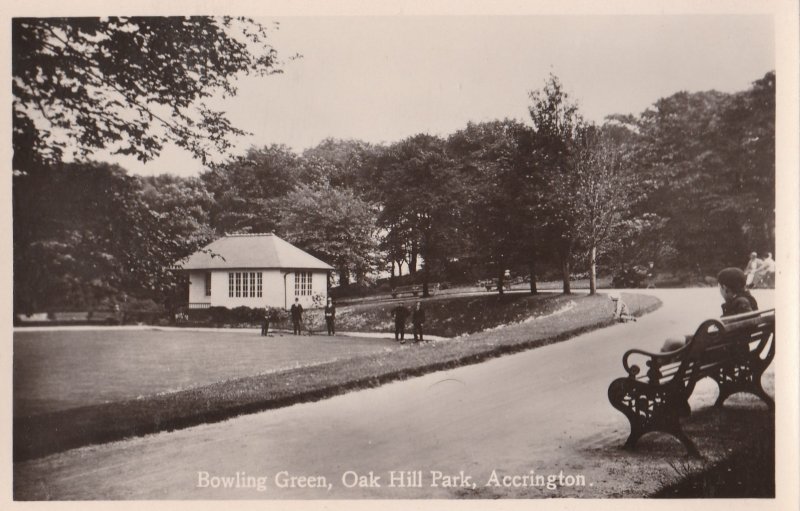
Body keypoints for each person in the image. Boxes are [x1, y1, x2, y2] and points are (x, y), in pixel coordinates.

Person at [661, 267, 758, 352]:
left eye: (719, 287)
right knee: (675, 342)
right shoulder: (749, 299)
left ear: (725, 288)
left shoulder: (741, 302)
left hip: (717, 348)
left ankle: (656, 368)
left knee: (671, 341)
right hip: (727, 346)